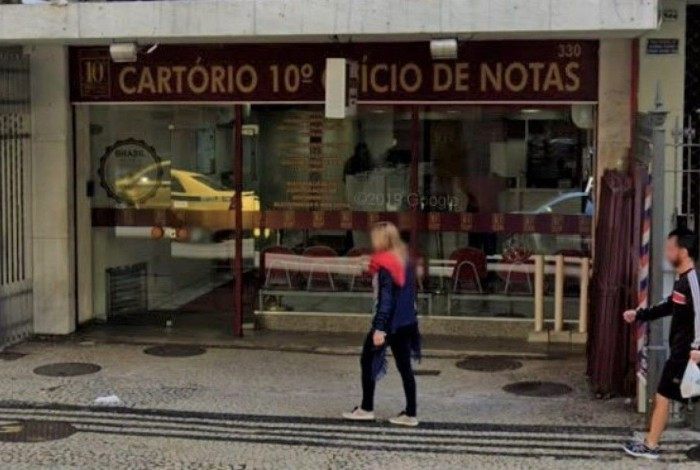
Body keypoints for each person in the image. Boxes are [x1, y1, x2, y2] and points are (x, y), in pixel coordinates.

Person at [622, 227, 700, 460]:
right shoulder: (682, 281)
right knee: (665, 394)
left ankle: (651, 445)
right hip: (683, 351)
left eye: (670, 248)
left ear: (683, 251)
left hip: (687, 353)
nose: (667, 252)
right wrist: (639, 314)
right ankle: (651, 443)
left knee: (663, 394)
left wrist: (697, 347)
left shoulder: (693, 281)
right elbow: (669, 305)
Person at [342, 221, 421, 426]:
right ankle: (410, 414)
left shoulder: (385, 264)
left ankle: (366, 408)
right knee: (405, 368)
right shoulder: (405, 259)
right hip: (407, 321)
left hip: (389, 324)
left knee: (367, 361)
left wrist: (379, 328)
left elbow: (386, 299)